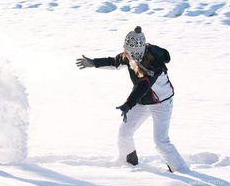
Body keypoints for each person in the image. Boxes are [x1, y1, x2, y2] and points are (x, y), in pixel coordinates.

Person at [76, 26, 189, 172]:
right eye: (128, 51)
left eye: (133, 53)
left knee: (161, 141)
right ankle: (128, 163)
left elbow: (144, 85)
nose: (130, 56)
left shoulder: (153, 63)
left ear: (141, 50)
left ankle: (180, 170)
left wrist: (128, 104)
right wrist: (94, 63)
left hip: (161, 104)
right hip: (142, 102)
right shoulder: (129, 54)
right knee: (124, 133)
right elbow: (115, 61)